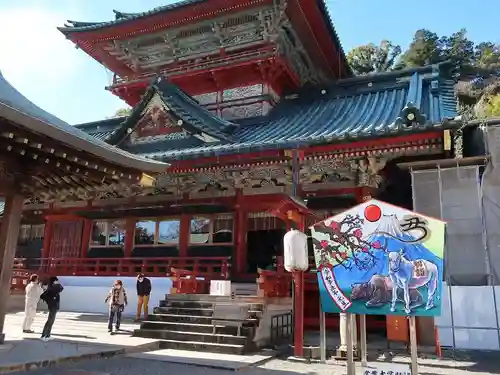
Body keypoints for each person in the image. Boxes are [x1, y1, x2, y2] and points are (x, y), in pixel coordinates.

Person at [39, 276, 64, 341]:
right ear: (54, 281)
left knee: (51, 321)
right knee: (49, 321)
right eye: (57, 281)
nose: (58, 282)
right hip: (52, 306)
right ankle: (43, 336)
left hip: (54, 306)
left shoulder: (53, 288)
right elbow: (61, 288)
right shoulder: (52, 288)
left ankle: (48, 335)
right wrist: (50, 301)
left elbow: (61, 288)